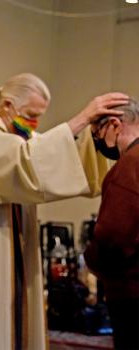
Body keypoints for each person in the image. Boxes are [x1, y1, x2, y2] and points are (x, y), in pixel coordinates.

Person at [0, 72, 128, 350]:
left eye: (39, 116)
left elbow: (48, 156)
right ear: (8, 105)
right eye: (30, 114)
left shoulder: (22, 136)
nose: (34, 123)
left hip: (18, 245)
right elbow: (23, 164)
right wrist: (80, 118)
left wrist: (92, 134)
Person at [84, 98, 139, 350]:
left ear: (115, 125)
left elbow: (112, 236)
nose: (98, 142)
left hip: (132, 292)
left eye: (97, 133)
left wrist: (92, 260)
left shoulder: (128, 166)